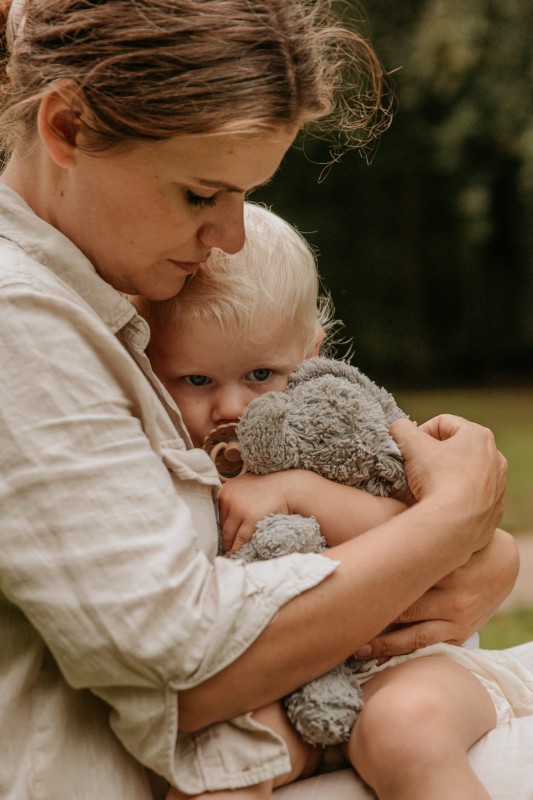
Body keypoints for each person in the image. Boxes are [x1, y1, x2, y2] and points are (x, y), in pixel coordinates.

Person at [0, 2, 528, 799]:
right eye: (198, 193)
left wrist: (482, 560)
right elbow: (185, 668)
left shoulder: (112, 304)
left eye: (245, 195)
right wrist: (450, 525)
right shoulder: (20, 321)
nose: (232, 238)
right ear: (67, 128)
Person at [137, 202, 533, 800]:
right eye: (196, 380)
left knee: (403, 732)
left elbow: (427, 532)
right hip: (284, 685)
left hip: (405, 667)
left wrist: (299, 492)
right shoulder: (162, 458)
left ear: (311, 350)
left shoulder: (341, 432)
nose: (233, 408)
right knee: (221, 766)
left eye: (262, 374)